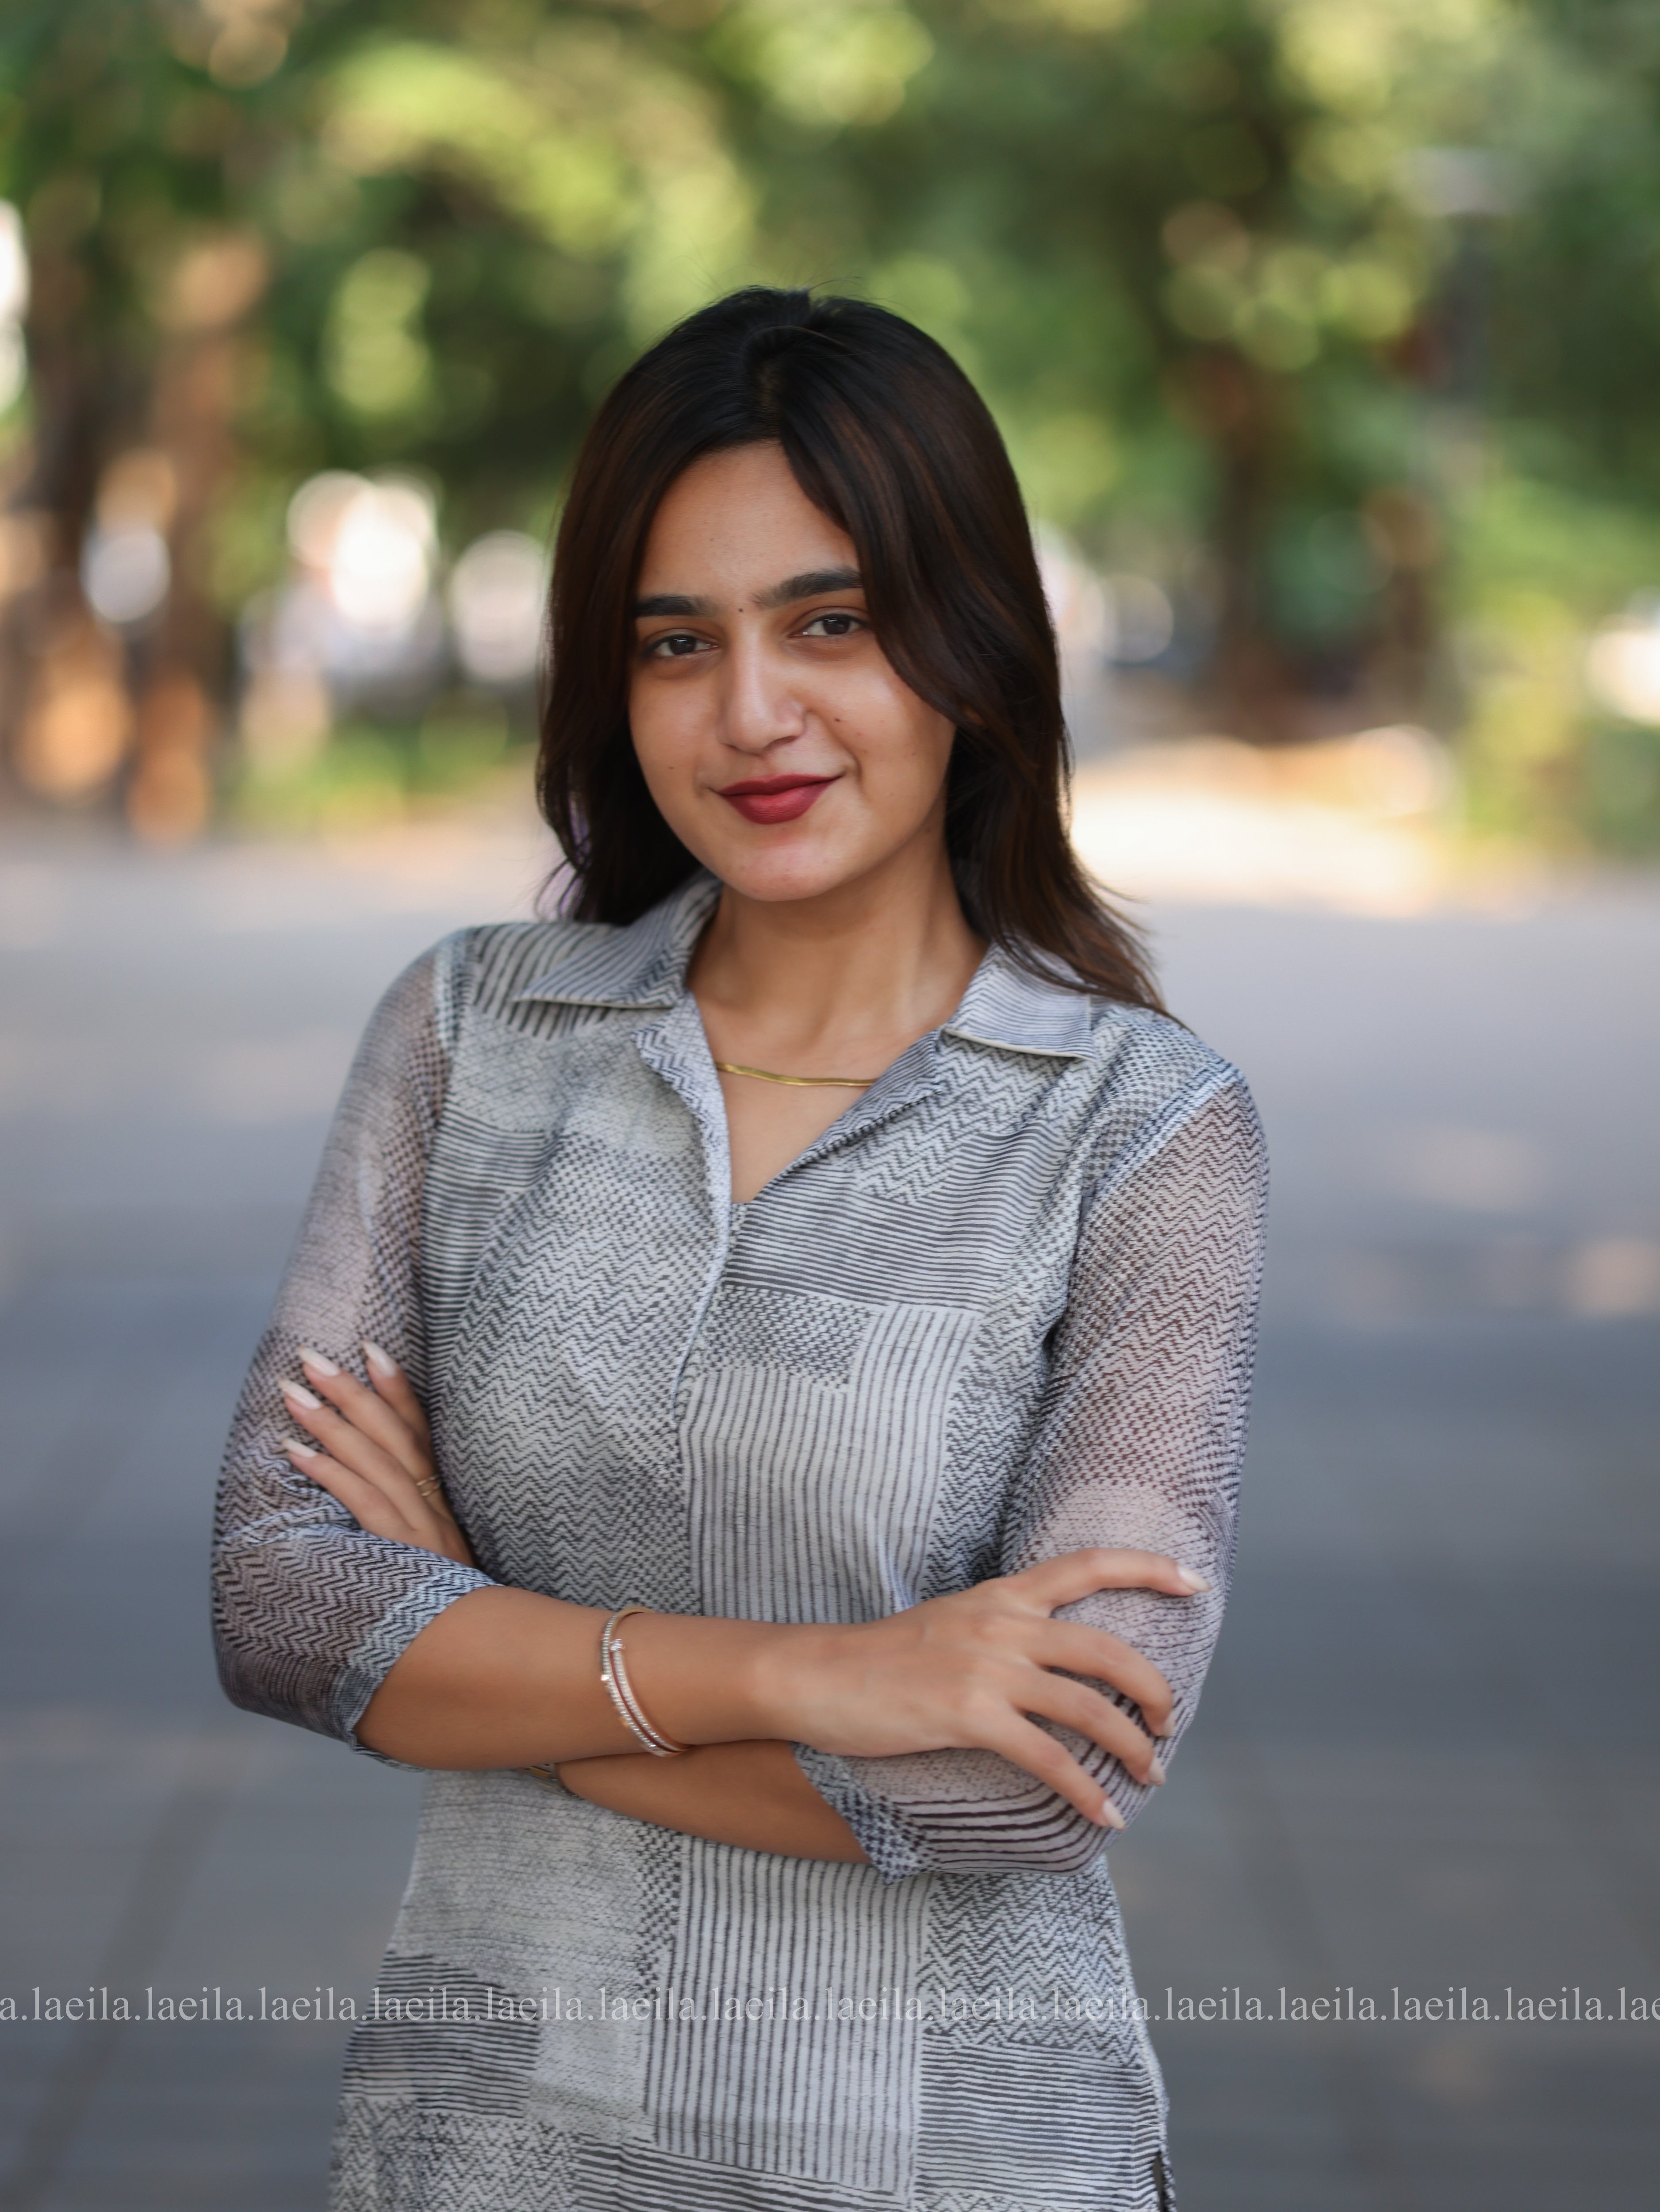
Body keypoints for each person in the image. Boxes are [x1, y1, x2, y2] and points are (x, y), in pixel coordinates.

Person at [212, 286, 1266, 2212]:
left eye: (830, 623)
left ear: (971, 641)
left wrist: (475, 1632)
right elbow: (282, 1600)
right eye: (675, 641)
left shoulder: (1136, 1126)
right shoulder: (472, 1035)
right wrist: (821, 1675)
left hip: (951, 2158)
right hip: (491, 2144)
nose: (751, 713)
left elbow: (1042, 1771)